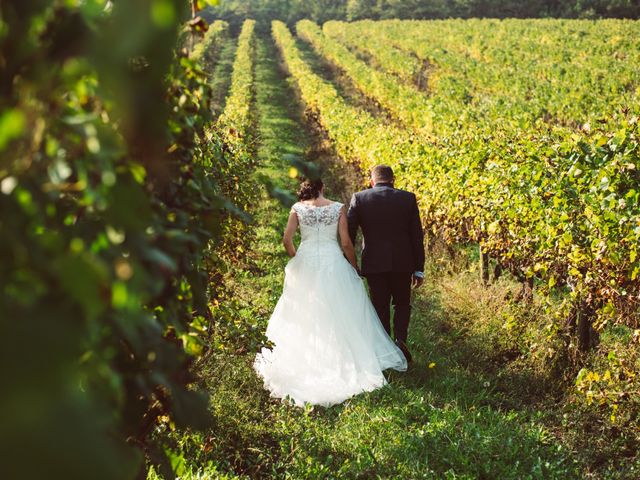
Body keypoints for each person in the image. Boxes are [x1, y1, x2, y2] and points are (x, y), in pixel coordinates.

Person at [254, 178, 407, 407]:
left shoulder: (297, 209)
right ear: (323, 188)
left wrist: (297, 258)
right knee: (341, 308)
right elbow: (346, 243)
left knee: (304, 309)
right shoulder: (337, 208)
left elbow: (286, 239)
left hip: (306, 260)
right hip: (332, 261)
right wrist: (353, 267)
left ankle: (307, 356)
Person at [347, 165, 425, 362]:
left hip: (373, 263)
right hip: (402, 262)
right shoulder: (407, 198)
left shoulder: (360, 198)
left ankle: (385, 349)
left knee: (379, 306)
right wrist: (419, 269)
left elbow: (350, 233)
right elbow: (417, 235)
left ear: (372, 181)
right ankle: (401, 341)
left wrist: (350, 262)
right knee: (402, 304)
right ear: (393, 180)